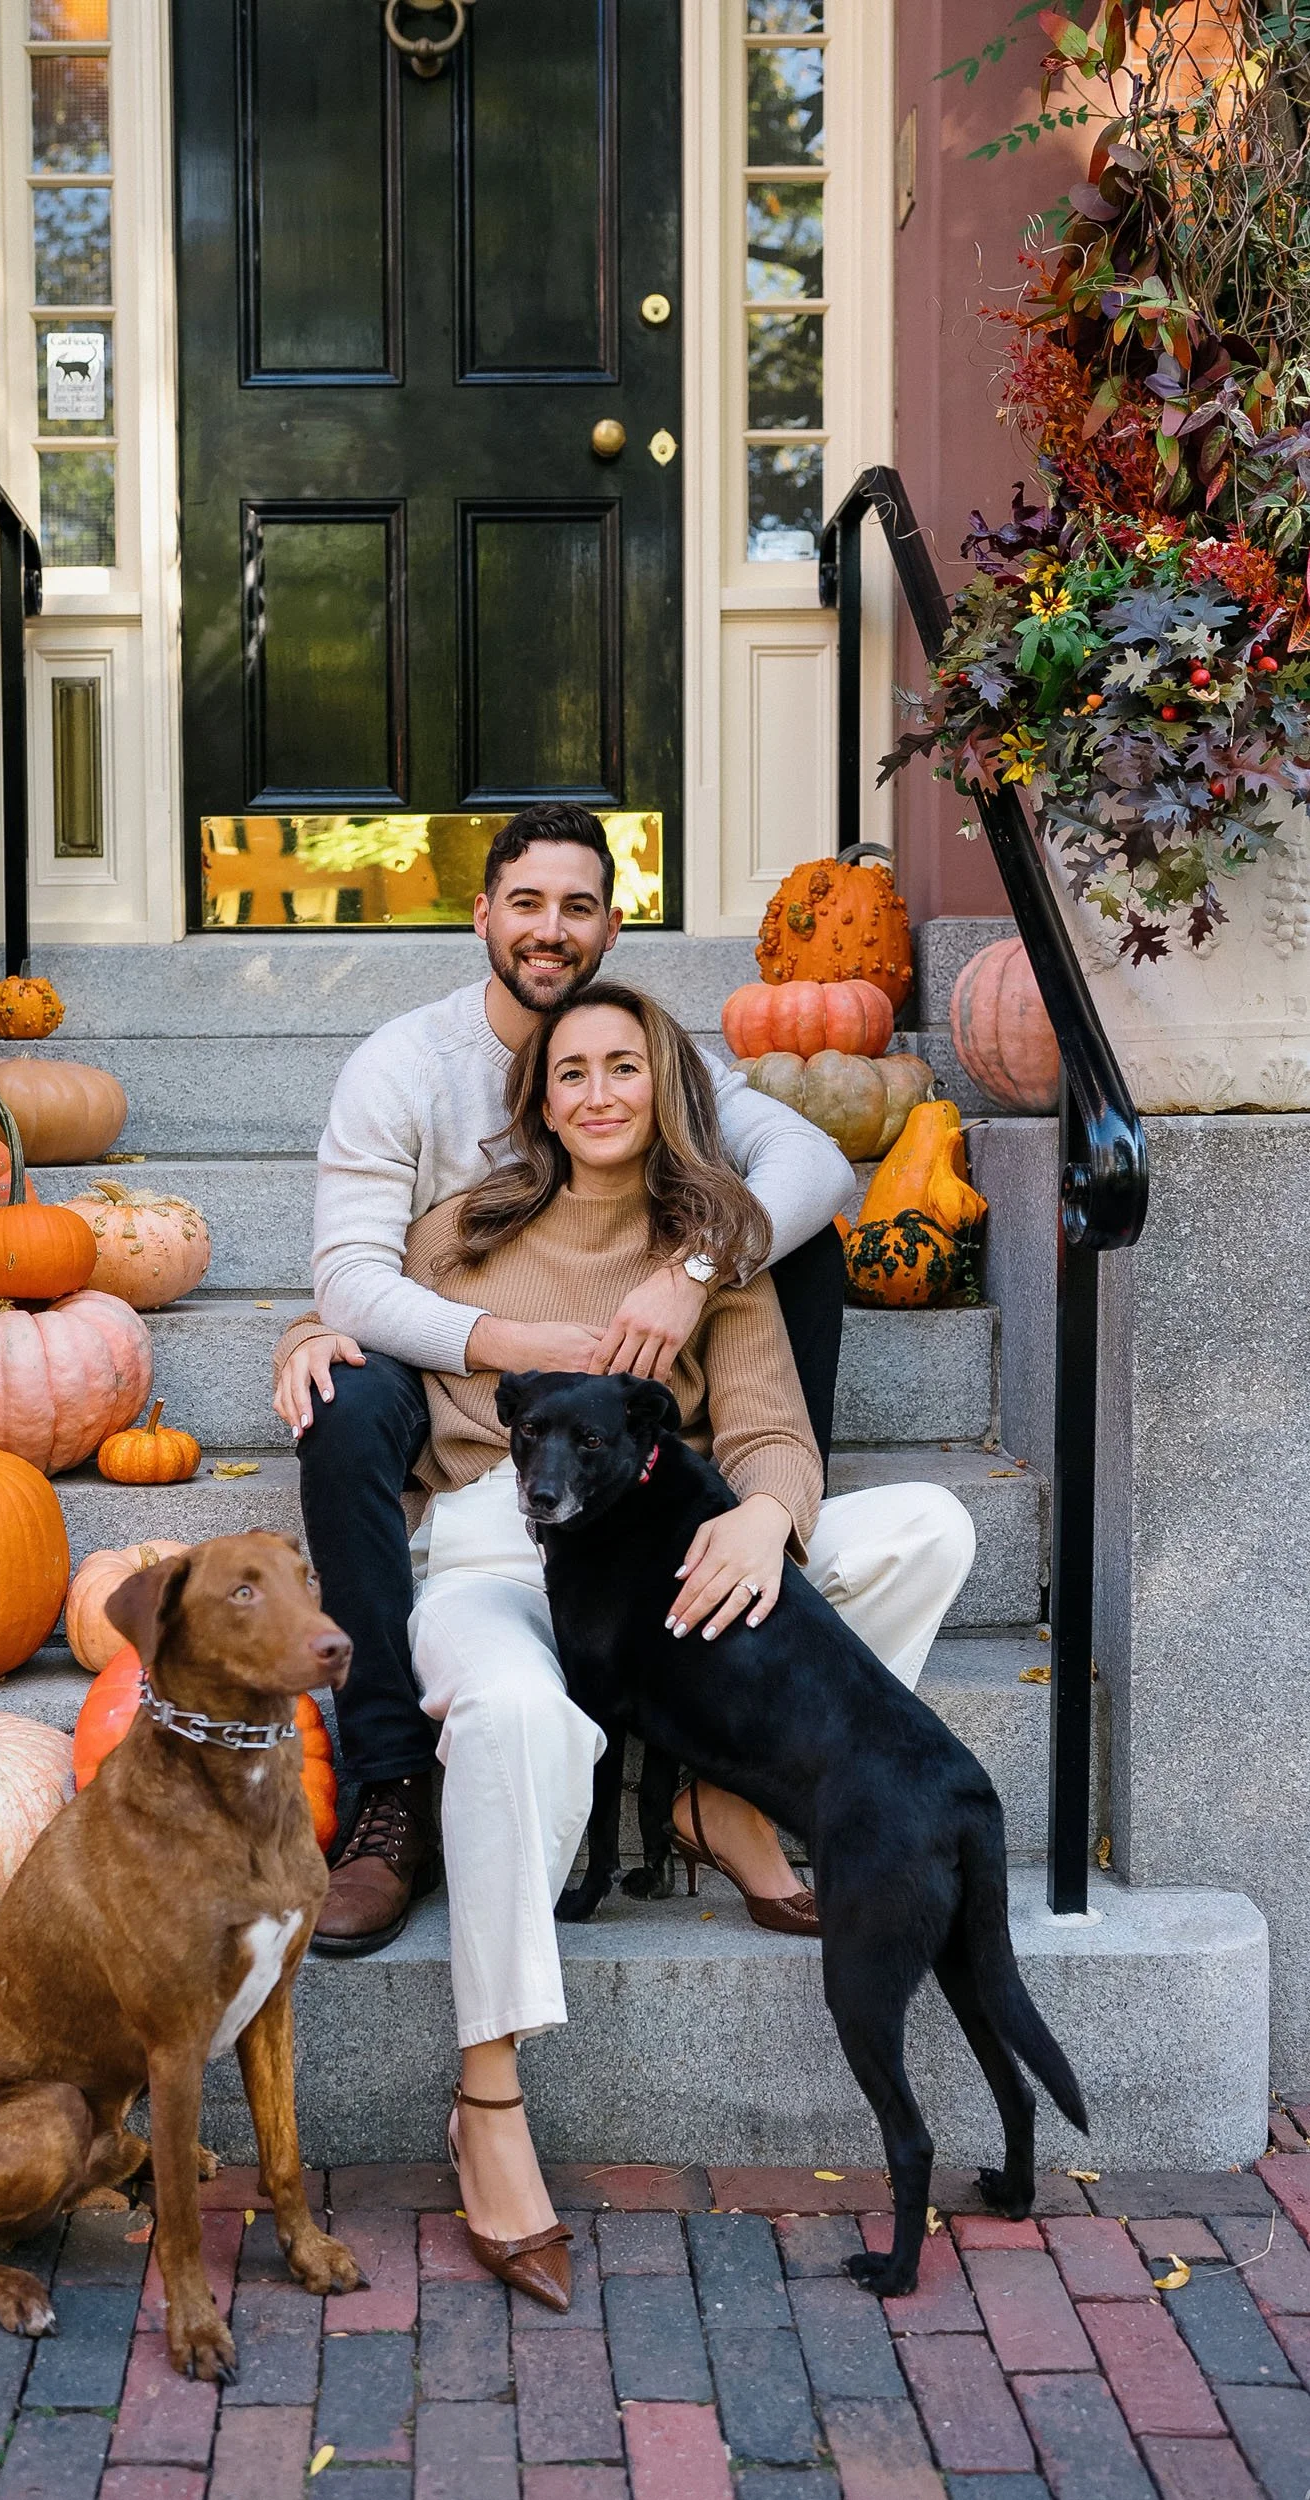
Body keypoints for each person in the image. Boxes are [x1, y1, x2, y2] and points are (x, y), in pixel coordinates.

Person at [273, 984, 975, 2307]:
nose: (596, 1092)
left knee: (928, 1529)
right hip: (499, 1549)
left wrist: (765, 1514)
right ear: (535, 1101)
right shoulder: (458, 1233)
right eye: (569, 1073)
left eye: (623, 1068)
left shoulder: (714, 1249)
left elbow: (767, 1427)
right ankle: (486, 2092)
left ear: (663, 1088)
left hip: (666, 1548)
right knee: (515, 1719)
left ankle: (723, 1786)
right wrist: (307, 1336)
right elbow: (357, 1315)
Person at [277, 802, 858, 1957]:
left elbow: (817, 1162)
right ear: (483, 913)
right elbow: (352, 1275)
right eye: (527, 903)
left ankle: (741, 1542)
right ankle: (392, 1789)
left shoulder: (654, 1051)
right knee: (339, 1403)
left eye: (577, 907)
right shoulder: (405, 1066)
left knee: (802, 1244)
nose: (550, 928)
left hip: (622, 1394)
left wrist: (695, 1274)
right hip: (447, 1345)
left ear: (609, 926)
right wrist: (499, 1339)